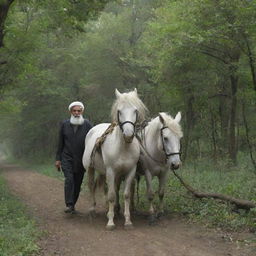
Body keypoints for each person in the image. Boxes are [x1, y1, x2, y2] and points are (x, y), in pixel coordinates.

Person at [55, 101, 93, 214]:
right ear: (71, 112)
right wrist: (58, 159)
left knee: (77, 182)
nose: (76, 113)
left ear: (82, 111)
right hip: (67, 157)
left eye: (79, 111)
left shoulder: (87, 124)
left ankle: (73, 205)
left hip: (82, 159)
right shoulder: (64, 124)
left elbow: (93, 140)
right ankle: (69, 204)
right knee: (69, 180)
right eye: (74, 111)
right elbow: (60, 143)